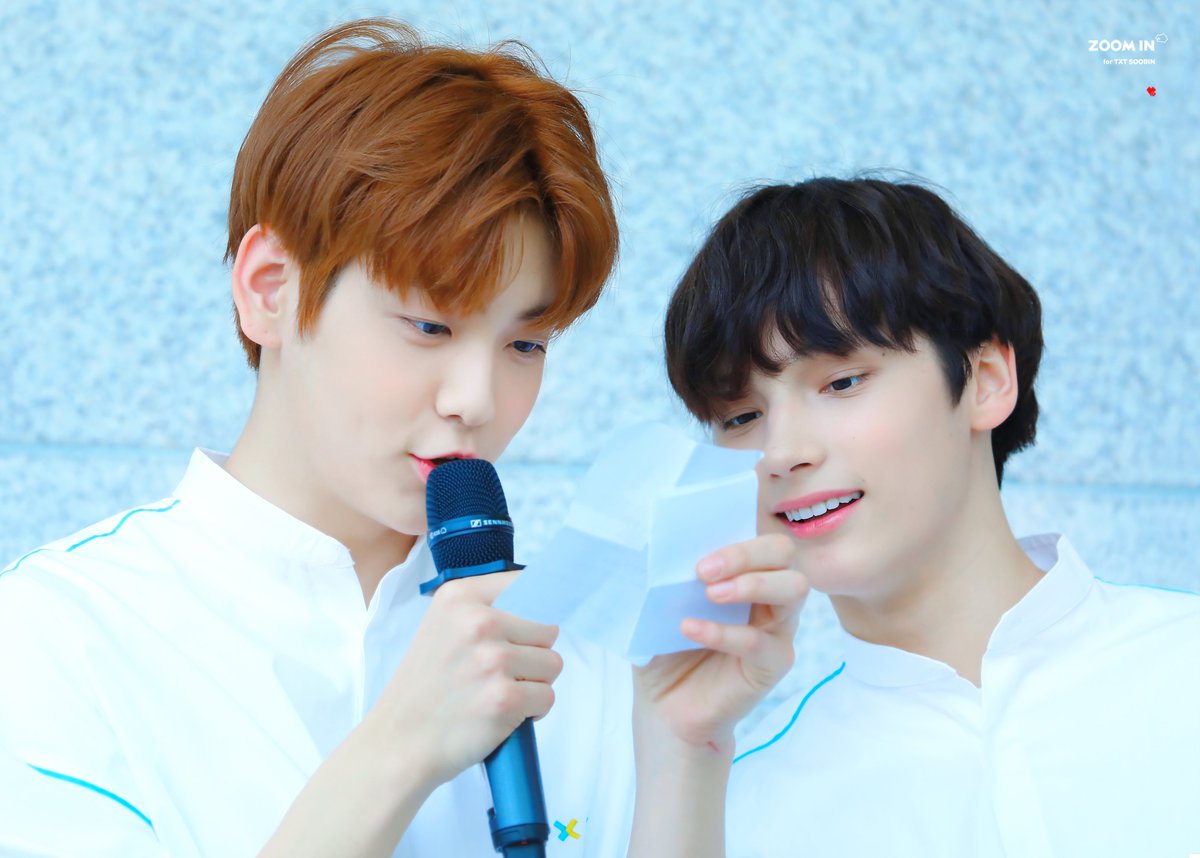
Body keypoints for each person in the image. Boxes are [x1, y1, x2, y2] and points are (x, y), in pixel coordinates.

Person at [0, 19, 807, 858]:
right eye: (429, 326)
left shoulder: (580, 661)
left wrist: (684, 750)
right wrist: (397, 753)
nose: (477, 400)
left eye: (525, 344)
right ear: (270, 290)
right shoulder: (52, 640)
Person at [659, 177, 1200, 857]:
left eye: (841, 382)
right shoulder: (733, 812)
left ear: (986, 380)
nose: (782, 453)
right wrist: (681, 752)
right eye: (741, 417)